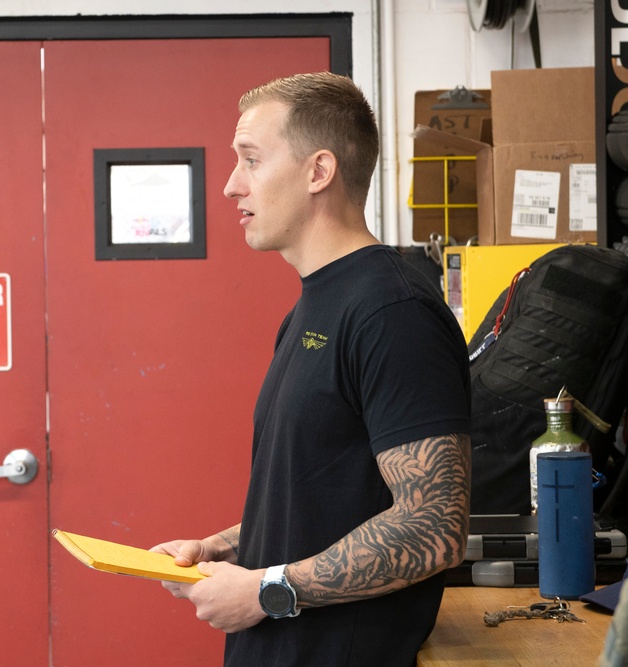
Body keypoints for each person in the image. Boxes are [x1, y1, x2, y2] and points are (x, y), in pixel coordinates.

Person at [151, 72, 472, 666]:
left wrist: (270, 589)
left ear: (318, 172)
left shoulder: (392, 314)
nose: (229, 185)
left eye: (251, 159)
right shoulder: (314, 305)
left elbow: (435, 525)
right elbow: (321, 496)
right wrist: (219, 549)